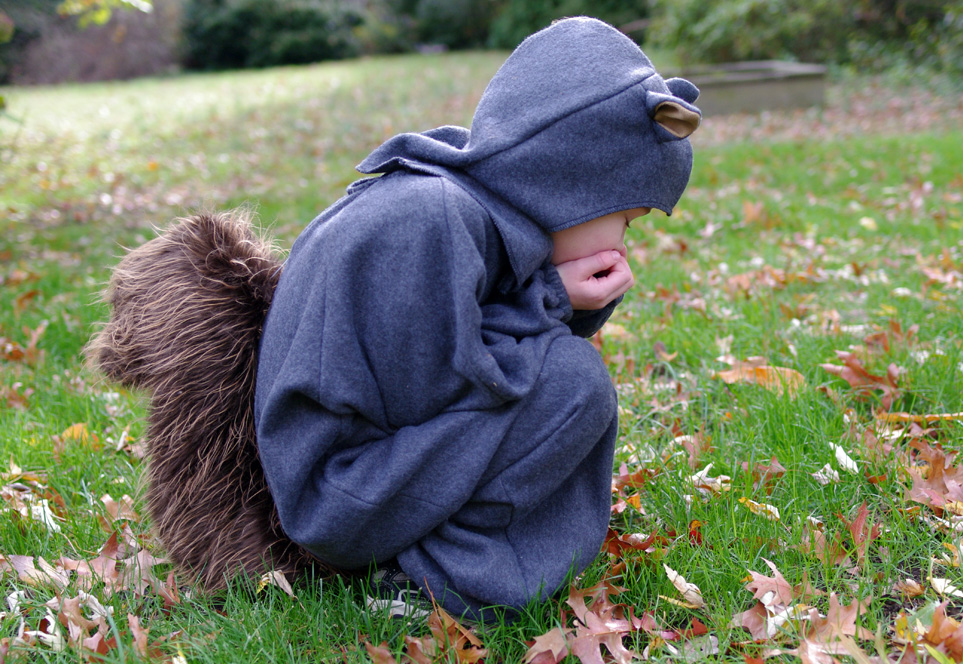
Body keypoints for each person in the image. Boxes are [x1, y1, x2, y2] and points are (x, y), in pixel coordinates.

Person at [253, 16, 701, 622]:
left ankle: (441, 552)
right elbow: (442, 390)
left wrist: (556, 298)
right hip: (339, 493)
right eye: (626, 217)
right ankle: (430, 579)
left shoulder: (473, 211)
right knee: (572, 383)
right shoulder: (431, 219)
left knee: (565, 375)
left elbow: (480, 367)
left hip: (368, 476)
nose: (624, 240)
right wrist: (551, 298)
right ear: (576, 182)